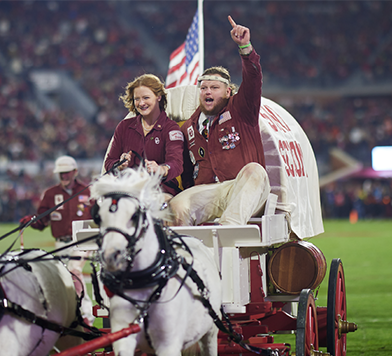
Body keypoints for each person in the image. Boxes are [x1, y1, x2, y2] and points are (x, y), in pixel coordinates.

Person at [170, 15, 270, 226]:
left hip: (243, 187)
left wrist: (245, 48)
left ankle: (228, 233)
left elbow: (253, 79)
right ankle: (184, 254)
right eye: (204, 87)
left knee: (255, 170)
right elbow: (187, 172)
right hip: (208, 191)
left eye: (214, 88)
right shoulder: (189, 126)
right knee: (177, 207)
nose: (208, 91)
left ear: (228, 91)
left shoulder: (242, 108)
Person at [20, 155, 95, 324]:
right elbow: (42, 221)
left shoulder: (88, 191)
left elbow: (97, 216)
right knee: (63, 278)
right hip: (61, 240)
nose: (63, 177)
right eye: (61, 173)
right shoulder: (50, 194)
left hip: (84, 235)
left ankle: (86, 314)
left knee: (74, 269)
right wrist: (31, 221)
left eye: (67, 173)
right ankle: (70, 315)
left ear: (75, 172)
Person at [104, 73, 184, 198]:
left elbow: (176, 163)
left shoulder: (171, 128)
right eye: (137, 99)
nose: (141, 103)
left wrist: (161, 169)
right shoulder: (124, 127)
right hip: (128, 190)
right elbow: (109, 162)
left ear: (158, 97)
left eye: (146, 98)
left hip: (160, 191)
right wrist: (119, 164)